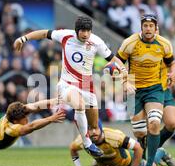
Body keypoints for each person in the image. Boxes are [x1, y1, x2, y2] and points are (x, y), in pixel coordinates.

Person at [13, 15, 134, 158]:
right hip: (66, 85)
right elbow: (44, 33)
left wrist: (125, 79)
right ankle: (87, 143)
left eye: (88, 31)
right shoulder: (65, 35)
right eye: (82, 31)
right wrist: (23, 38)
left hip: (87, 87)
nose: (85, 34)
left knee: (95, 127)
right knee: (79, 105)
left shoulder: (96, 42)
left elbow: (113, 59)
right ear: (76, 31)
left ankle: (102, 151)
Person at [115, 14, 175, 166]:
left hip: (155, 88)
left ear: (156, 28)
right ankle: (158, 152)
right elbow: (115, 64)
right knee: (140, 132)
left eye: (151, 26)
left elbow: (172, 63)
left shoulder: (164, 44)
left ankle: (150, 165)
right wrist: (124, 82)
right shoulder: (129, 43)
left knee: (155, 123)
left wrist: (173, 73)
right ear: (141, 27)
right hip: (133, 91)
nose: (148, 28)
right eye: (145, 26)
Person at [69, 122, 143, 166]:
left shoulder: (113, 136)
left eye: (96, 128)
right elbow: (72, 148)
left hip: (127, 162)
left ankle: (154, 154)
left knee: (152, 165)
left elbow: (138, 148)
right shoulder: (82, 140)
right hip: (107, 165)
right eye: (90, 129)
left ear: (101, 129)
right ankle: (97, 161)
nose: (94, 132)